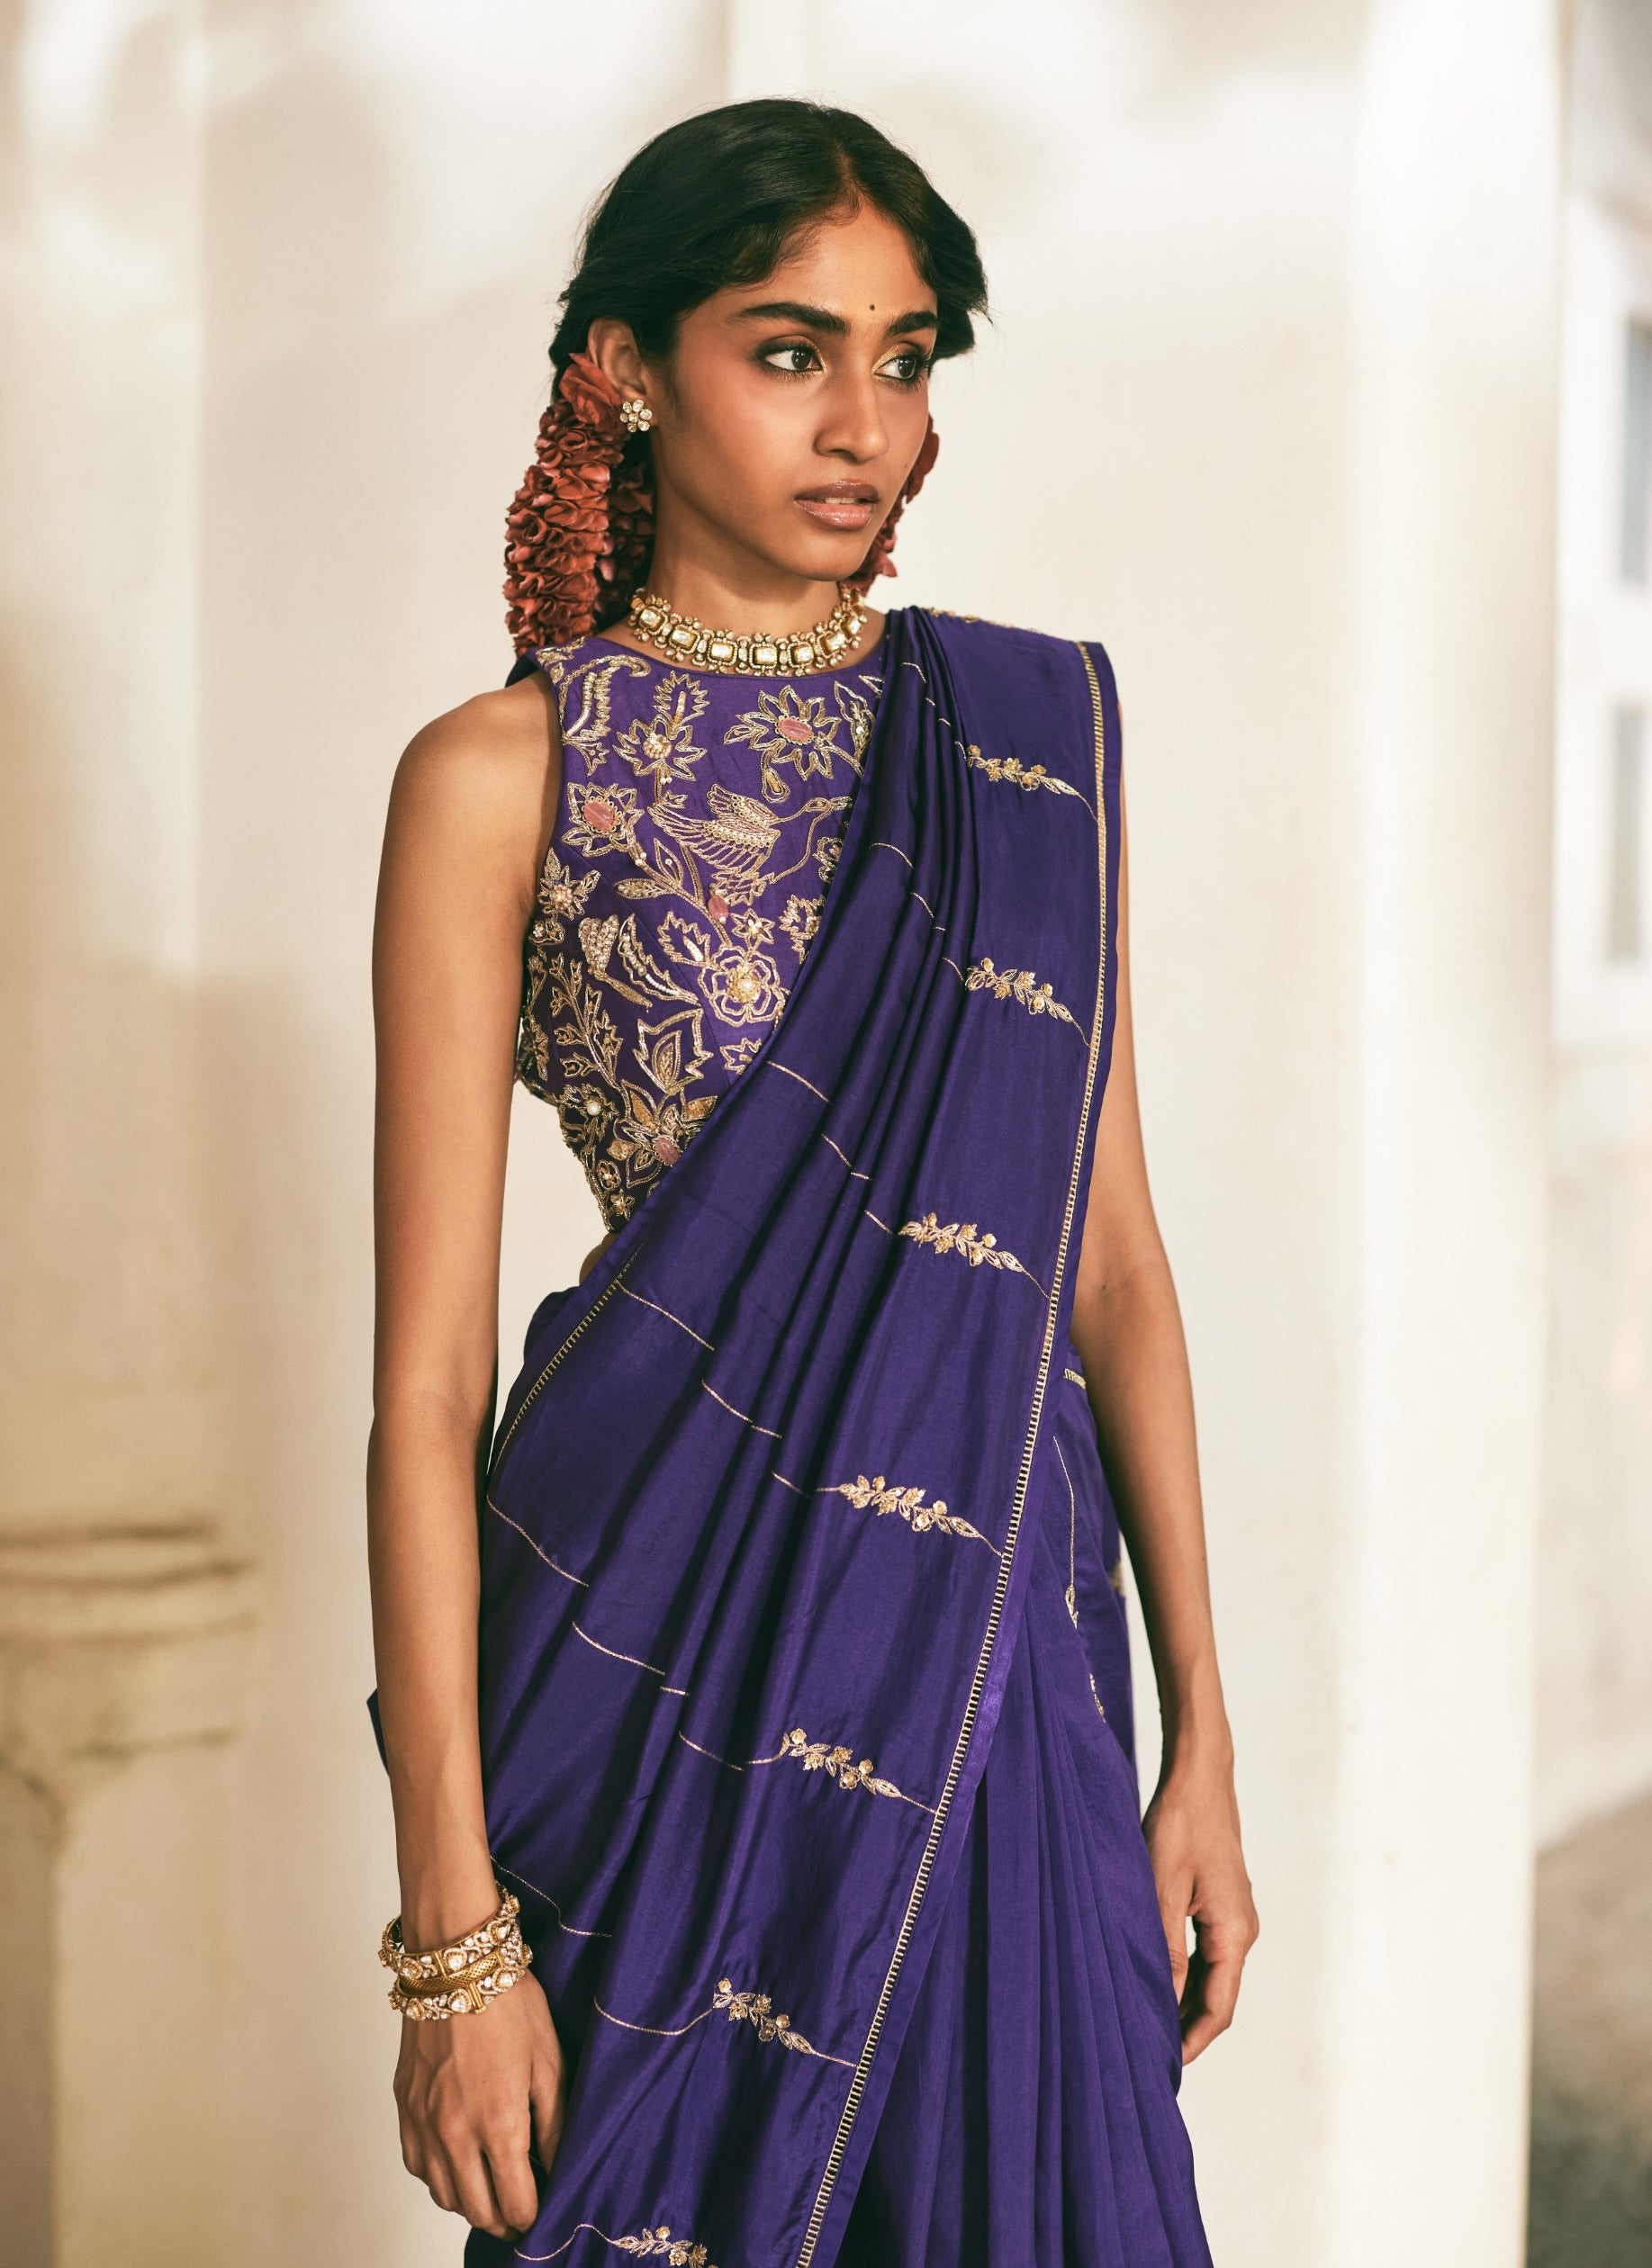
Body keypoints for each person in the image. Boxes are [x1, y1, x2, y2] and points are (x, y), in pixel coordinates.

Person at [368, 97, 1257, 2268]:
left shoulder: (1022, 749)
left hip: (993, 1670)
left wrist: (1202, 1744)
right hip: (657, 1658)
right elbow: (425, 1391)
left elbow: (1113, 1274)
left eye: (908, 356)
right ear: (626, 370)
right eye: (789, 352)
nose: (866, 424)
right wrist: (454, 1943)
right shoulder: (501, 775)